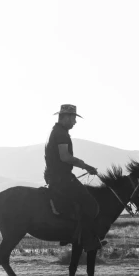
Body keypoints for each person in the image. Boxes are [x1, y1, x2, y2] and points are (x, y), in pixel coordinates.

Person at [44, 104, 105, 251]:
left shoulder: (56, 132)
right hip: (62, 178)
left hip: (54, 176)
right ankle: (87, 240)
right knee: (92, 205)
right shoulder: (61, 134)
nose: (74, 122)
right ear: (64, 117)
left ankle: (72, 234)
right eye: (73, 118)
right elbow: (65, 157)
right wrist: (86, 166)